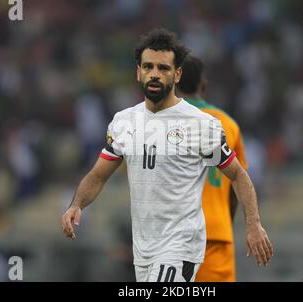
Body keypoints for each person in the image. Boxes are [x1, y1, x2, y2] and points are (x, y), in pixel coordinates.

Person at [61, 28, 273, 282]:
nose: (154, 74)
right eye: (148, 67)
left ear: (177, 74)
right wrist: (76, 205)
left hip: (181, 245)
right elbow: (97, 176)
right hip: (144, 248)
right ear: (138, 71)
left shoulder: (200, 125)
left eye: (163, 68)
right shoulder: (124, 122)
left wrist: (253, 224)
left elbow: (238, 175)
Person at [177, 55, 247, 282]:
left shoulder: (162, 123)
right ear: (204, 85)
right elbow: (238, 186)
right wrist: (226, 221)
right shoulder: (228, 124)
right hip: (216, 232)